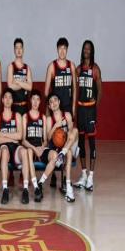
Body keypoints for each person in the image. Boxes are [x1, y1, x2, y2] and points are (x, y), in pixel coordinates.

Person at [43, 37, 76, 188]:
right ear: (57, 49)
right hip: (55, 108)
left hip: (67, 108)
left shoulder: (71, 65)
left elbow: (74, 89)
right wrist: (48, 112)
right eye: (60, 48)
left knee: (65, 139)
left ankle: (64, 175)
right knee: (54, 140)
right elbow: (46, 92)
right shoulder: (52, 66)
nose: (62, 51)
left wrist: (73, 108)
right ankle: (54, 174)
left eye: (64, 48)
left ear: (67, 50)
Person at [74, 40, 102, 192]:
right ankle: (84, 175)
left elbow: (100, 91)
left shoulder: (95, 69)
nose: (86, 51)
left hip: (90, 110)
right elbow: (75, 89)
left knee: (91, 143)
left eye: (89, 49)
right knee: (80, 144)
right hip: (80, 109)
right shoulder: (78, 70)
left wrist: (94, 108)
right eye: (84, 48)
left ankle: (91, 176)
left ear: (92, 51)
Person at [0, 88, 30, 205]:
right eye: (6, 97)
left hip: (15, 148)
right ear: (2, 100)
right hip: (5, 148)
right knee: (4, 151)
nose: (8, 100)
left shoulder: (17, 116)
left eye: (10, 97)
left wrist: (4, 134)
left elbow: (19, 136)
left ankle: (25, 189)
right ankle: (5, 189)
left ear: (12, 100)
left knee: (24, 152)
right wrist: (12, 137)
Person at [22, 90, 58, 203]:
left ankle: (40, 182)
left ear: (40, 102)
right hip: (30, 148)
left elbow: (46, 140)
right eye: (33, 99)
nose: (35, 102)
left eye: (37, 99)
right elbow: (23, 140)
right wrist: (34, 149)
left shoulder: (43, 117)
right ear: (30, 100)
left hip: (41, 148)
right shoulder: (25, 116)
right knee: (28, 151)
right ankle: (33, 188)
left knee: (54, 155)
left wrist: (42, 147)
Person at [46, 93, 79, 203]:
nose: (54, 103)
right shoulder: (49, 119)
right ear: (49, 106)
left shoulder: (67, 115)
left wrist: (65, 132)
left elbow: (71, 132)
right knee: (68, 153)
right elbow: (48, 138)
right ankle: (69, 188)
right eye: (51, 102)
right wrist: (56, 126)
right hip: (57, 149)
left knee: (75, 131)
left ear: (59, 102)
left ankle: (63, 152)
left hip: (69, 144)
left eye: (55, 100)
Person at [7, 38, 33, 116]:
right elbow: (10, 86)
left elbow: (30, 87)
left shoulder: (27, 67)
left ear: (23, 50)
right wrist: (24, 83)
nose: (18, 50)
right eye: (16, 48)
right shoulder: (11, 66)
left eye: (20, 47)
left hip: (25, 106)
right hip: (14, 106)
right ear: (14, 50)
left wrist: (17, 81)